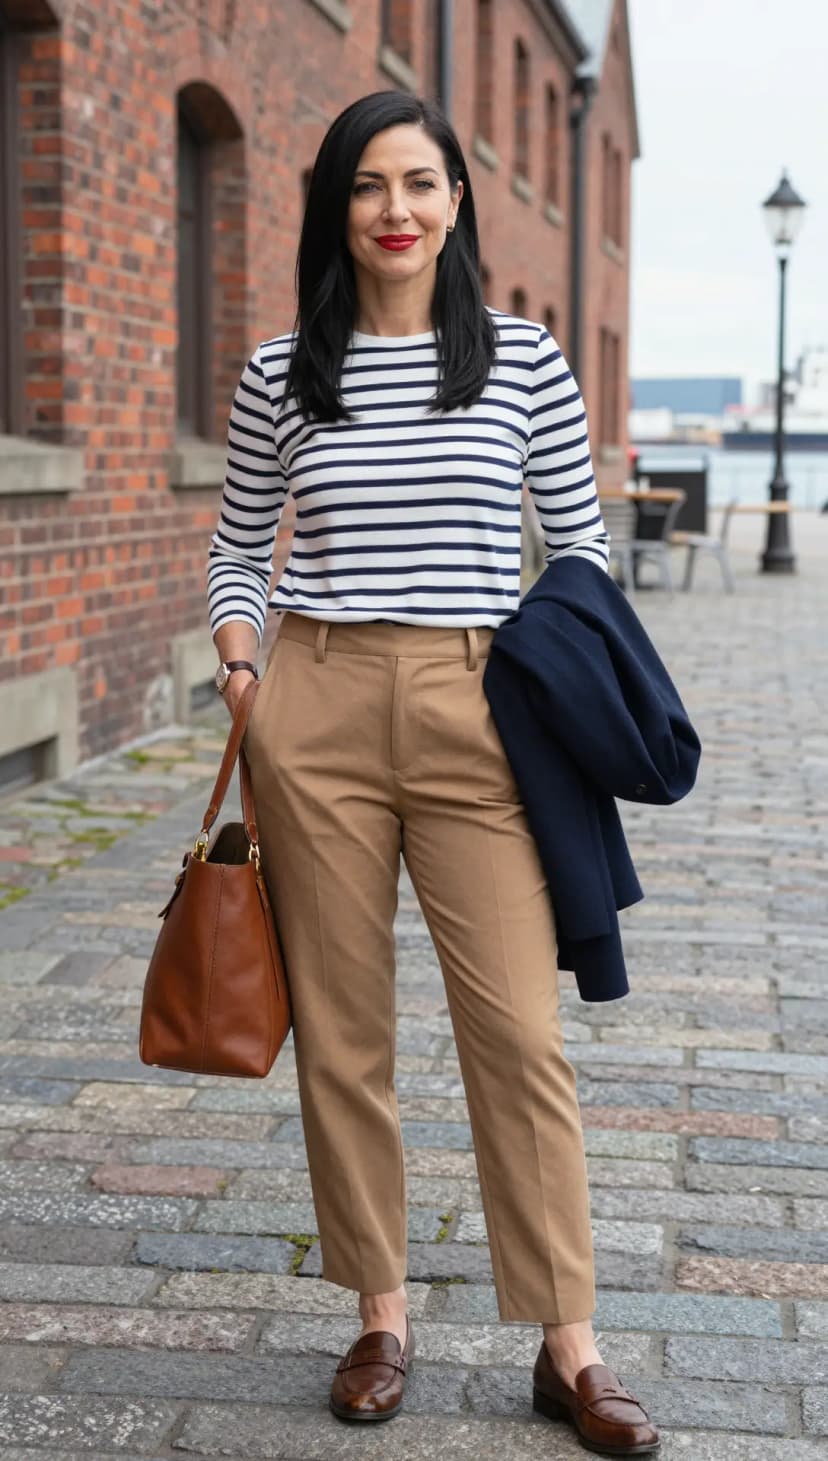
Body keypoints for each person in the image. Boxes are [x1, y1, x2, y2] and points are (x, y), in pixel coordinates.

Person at [207, 90, 660, 1455]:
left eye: (418, 183)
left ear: (457, 202)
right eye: (367, 185)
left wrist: (548, 679)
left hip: (479, 707)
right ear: (335, 208)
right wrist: (247, 676)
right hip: (320, 702)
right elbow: (238, 545)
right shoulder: (283, 372)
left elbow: (580, 551)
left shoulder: (522, 361)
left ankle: (567, 1341)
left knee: (518, 1033)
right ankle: (380, 1312)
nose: (393, 209)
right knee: (345, 1033)